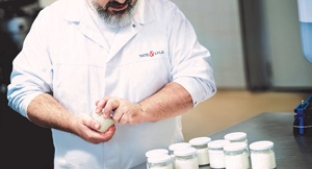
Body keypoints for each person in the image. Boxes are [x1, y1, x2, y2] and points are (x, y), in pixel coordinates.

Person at [7, 0, 216, 168]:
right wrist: (71, 123)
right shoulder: (53, 20)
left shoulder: (165, 15)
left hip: (156, 163)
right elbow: (23, 89)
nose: (122, 1)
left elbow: (199, 79)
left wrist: (142, 110)